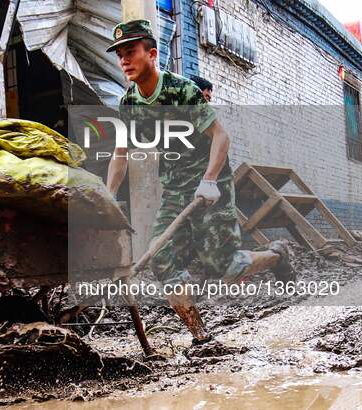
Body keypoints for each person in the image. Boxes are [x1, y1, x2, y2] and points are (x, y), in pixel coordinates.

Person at [105, 20, 295, 345]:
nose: (124, 60)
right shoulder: (130, 104)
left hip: (211, 182)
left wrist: (209, 180)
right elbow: (120, 155)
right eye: (120, 54)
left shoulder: (182, 90)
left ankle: (277, 254)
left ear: (151, 54)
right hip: (176, 188)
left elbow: (221, 136)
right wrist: (107, 199)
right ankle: (202, 338)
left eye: (131, 52)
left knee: (224, 266)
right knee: (161, 259)